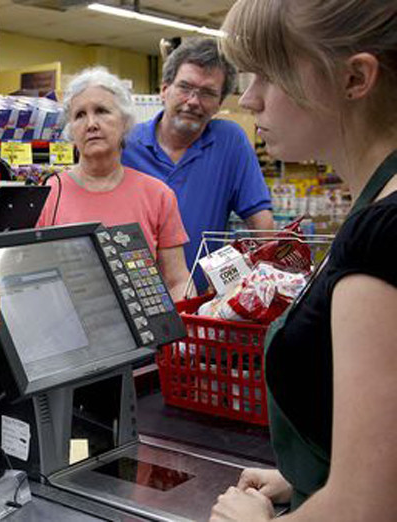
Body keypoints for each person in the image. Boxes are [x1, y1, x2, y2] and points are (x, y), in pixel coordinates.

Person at [210, 1, 397, 520]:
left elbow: (367, 510)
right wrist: (310, 474)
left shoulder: (382, 238)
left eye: (269, 74)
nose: (249, 99)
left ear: (355, 78)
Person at [121, 37, 274, 290]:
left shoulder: (229, 142)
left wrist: (265, 284)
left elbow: (262, 224)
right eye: (185, 87)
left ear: (219, 104)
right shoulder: (126, 145)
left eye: (207, 93)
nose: (193, 101)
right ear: (164, 89)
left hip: (198, 306)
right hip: (132, 298)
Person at [37, 66, 191, 300]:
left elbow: (177, 281)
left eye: (101, 111)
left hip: (143, 331)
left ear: (125, 121)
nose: (91, 124)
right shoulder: (49, 193)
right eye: (79, 115)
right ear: (70, 131)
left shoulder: (158, 195)